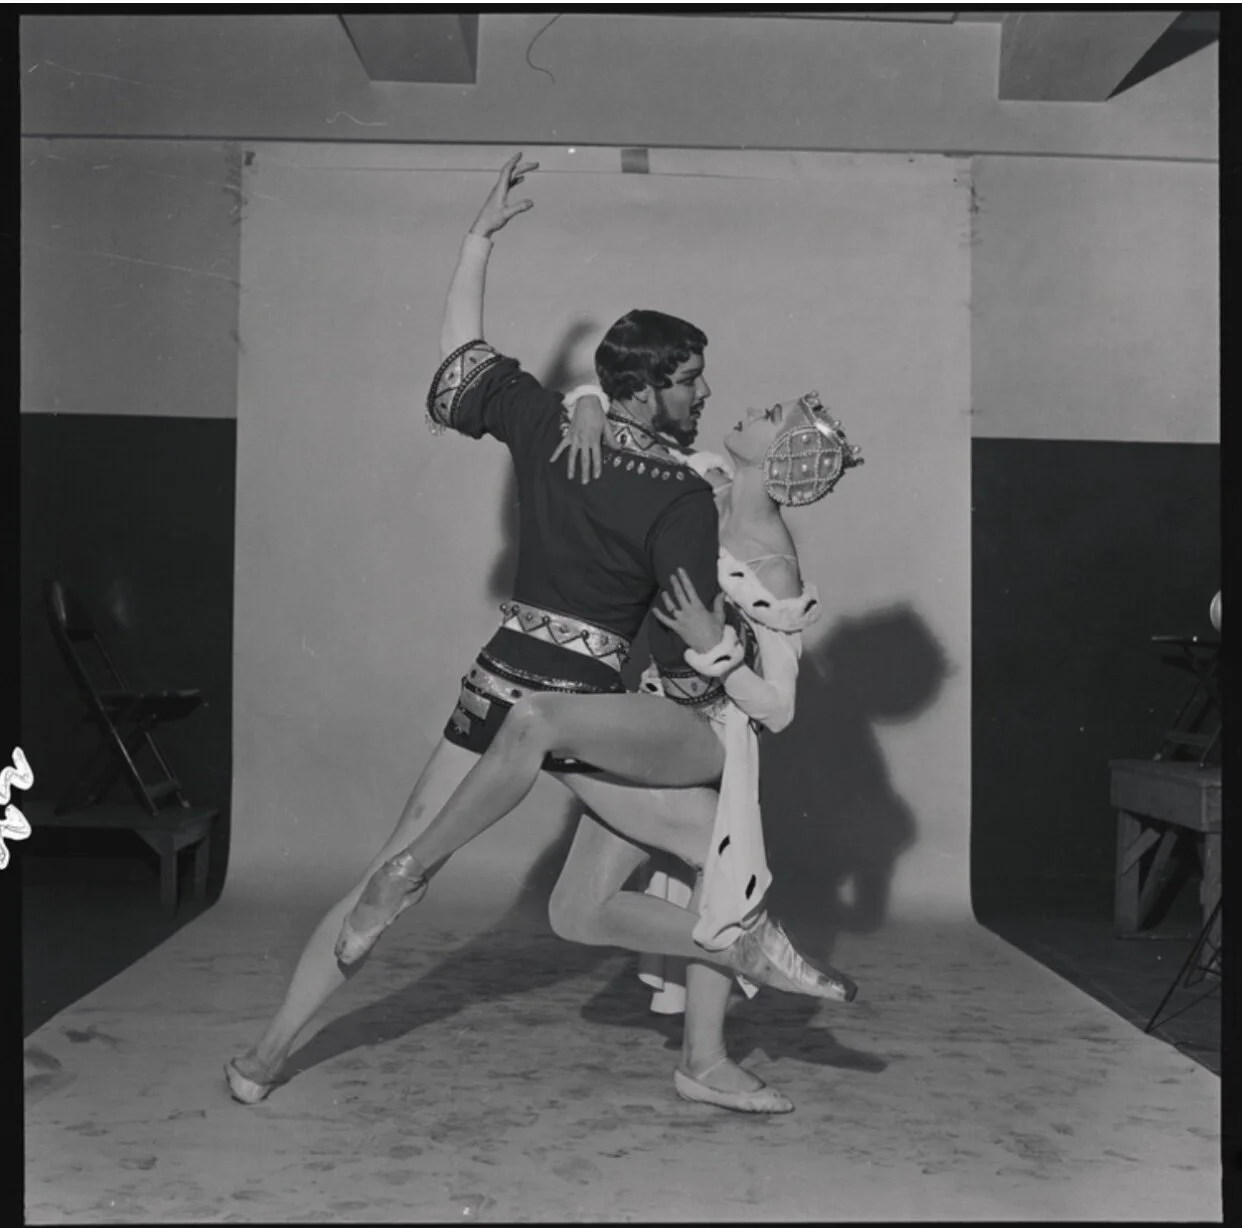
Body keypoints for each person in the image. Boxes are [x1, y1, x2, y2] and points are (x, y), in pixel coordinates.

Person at [226, 154, 840, 1115]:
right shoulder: (681, 493)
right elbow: (685, 654)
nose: (704, 396)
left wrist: (477, 241)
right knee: (719, 847)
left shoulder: (555, 423)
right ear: (648, 394)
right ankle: (716, 1028)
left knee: (405, 871)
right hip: (581, 707)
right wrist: (720, 659)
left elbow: (458, 355)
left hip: (496, 679)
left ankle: (263, 1058)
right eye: (688, 384)